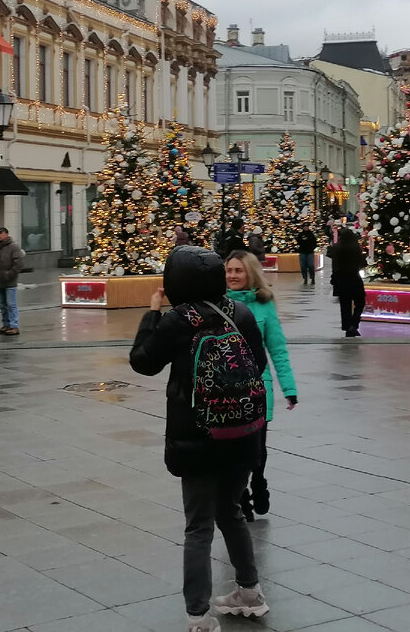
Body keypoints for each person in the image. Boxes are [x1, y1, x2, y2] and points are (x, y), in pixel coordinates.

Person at [130, 246, 271, 630]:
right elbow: (256, 363)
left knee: (198, 526)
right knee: (232, 511)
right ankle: (250, 591)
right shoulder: (238, 312)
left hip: (197, 436)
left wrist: (151, 313)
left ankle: (198, 616)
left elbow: (142, 361)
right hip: (242, 432)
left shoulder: (179, 320)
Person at [225, 250, 298, 522]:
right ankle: (241, 493)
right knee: (234, 446)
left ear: (250, 273)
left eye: (238, 271)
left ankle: (258, 480)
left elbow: (277, 349)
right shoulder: (218, 303)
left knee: (257, 446)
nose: (232, 276)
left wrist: (288, 389)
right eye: (229, 271)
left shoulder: (264, 304)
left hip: (258, 386)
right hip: (227, 388)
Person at [326, 226, 366, 337]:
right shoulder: (356, 248)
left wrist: (334, 279)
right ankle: (354, 323)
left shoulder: (337, 248)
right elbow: (363, 263)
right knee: (360, 302)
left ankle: (347, 327)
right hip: (354, 278)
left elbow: (333, 262)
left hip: (341, 280)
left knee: (345, 306)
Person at [0, 226, 25, 336]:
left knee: (11, 304)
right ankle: (6, 324)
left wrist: (9, 274)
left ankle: (14, 326)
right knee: (2, 304)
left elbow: (19, 264)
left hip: (10, 281)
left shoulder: (13, 247)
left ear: (6, 234)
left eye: (0, 233)